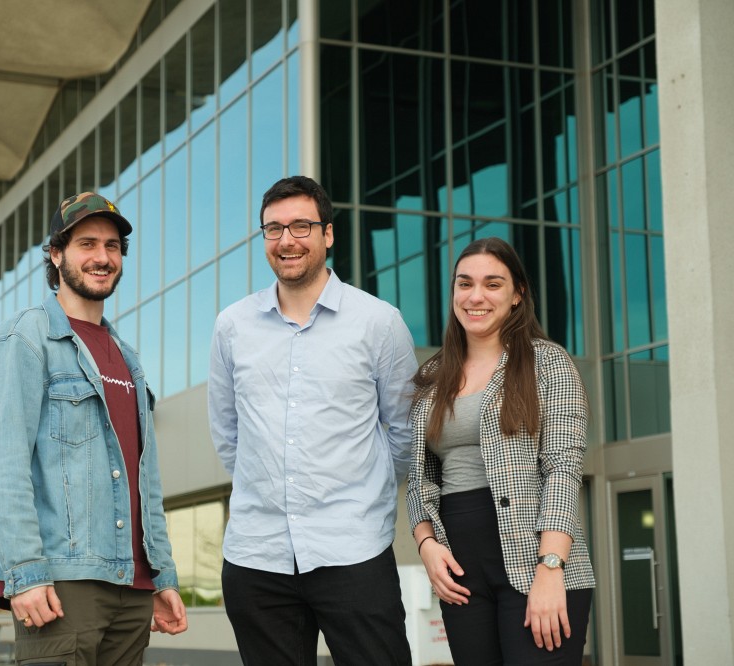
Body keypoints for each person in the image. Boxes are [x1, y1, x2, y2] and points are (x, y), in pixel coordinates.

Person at [208, 175, 417, 665]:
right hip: (256, 557)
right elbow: (227, 433)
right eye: (274, 229)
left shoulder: (378, 322)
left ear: (327, 234)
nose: (287, 240)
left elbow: (406, 431)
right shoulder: (231, 326)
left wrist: (360, 497)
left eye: (301, 226)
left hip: (354, 549)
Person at [0, 192, 187, 666]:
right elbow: (3, 468)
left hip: (132, 588)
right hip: (61, 584)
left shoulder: (127, 358)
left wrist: (162, 576)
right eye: (87, 243)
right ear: (56, 254)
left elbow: (143, 479)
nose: (102, 257)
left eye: (112, 247)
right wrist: (24, 573)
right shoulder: (25, 339)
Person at [406, 237, 595, 665]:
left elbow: (562, 468)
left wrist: (550, 569)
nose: (476, 296)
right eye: (465, 283)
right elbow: (419, 477)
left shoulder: (548, 363)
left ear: (517, 294)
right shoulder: (432, 376)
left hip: (535, 562)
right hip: (460, 574)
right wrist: (427, 545)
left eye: (493, 284)